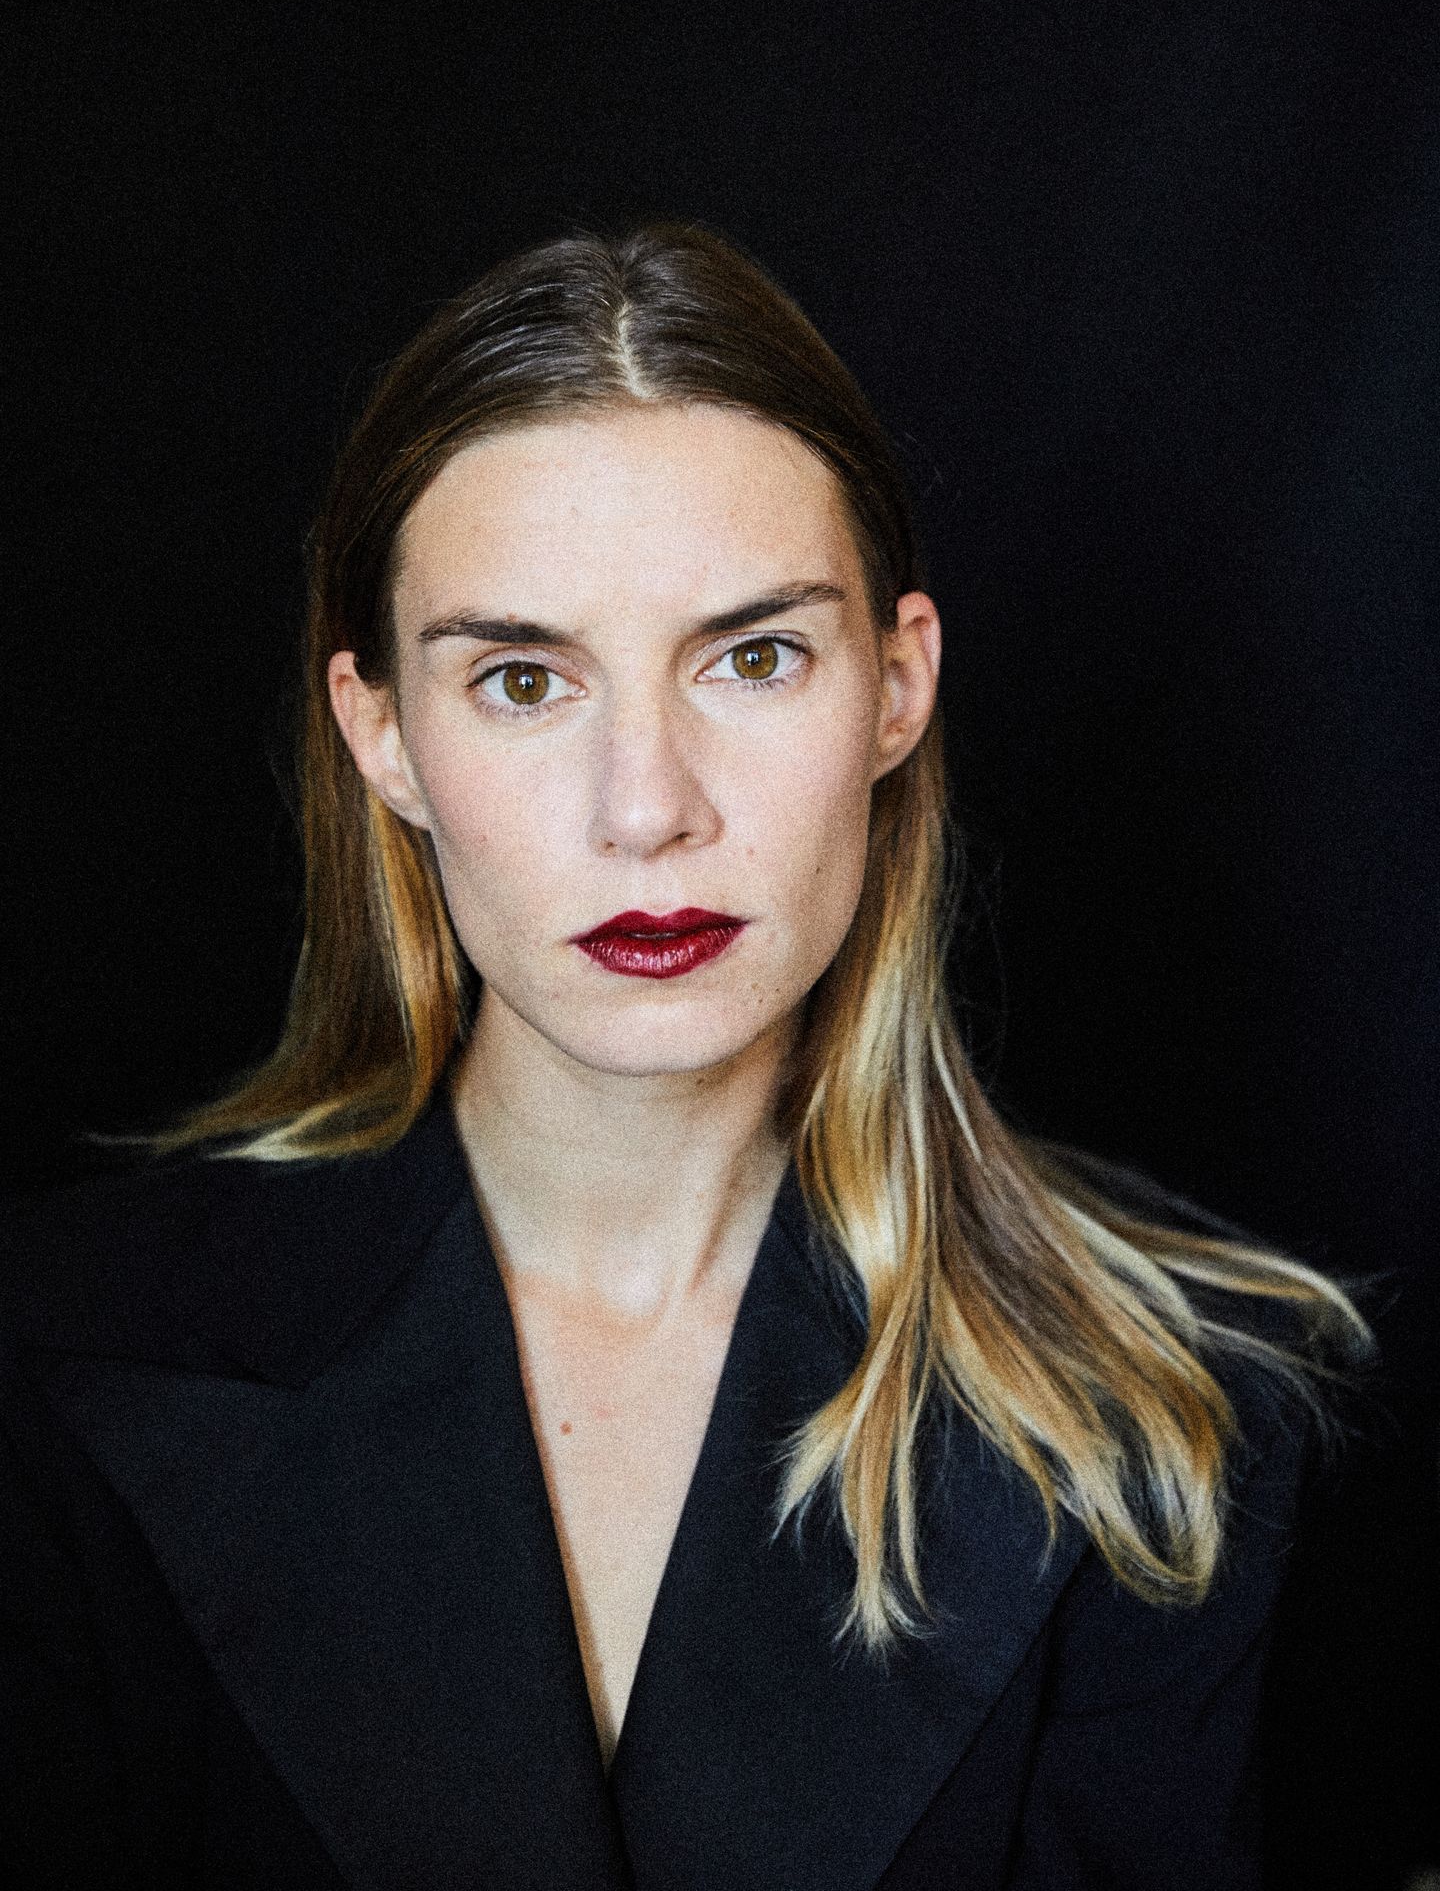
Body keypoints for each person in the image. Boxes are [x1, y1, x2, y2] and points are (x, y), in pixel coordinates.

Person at [0, 223, 1371, 1889]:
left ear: (897, 686)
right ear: (385, 736)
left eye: (754, 657)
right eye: (523, 680)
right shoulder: (56, 1360)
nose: (647, 807)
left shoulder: (1181, 1416)